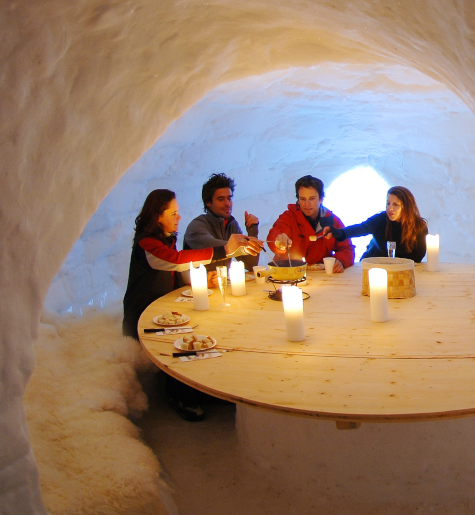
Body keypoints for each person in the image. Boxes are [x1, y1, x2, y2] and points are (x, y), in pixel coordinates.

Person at [121, 189, 258, 421]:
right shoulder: (147, 244)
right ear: (157, 217)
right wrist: (224, 250)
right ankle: (180, 393)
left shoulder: (165, 238)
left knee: (208, 324)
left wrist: (203, 280)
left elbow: (174, 271)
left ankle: (204, 385)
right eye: (173, 213)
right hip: (144, 316)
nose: (179, 217)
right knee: (185, 335)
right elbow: (173, 261)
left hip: (163, 307)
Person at [267, 175, 354, 272]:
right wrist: (278, 241)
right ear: (298, 200)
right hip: (288, 274)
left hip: (321, 276)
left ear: (321, 199)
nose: (307, 204)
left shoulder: (332, 221)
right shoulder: (289, 217)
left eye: (312, 198)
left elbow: (347, 248)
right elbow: (276, 232)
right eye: (303, 199)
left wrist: (340, 261)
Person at [182, 173, 264, 272]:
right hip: (194, 286)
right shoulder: (197, 226)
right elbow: (218, 247)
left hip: (220, 284)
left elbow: (250, 265)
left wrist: (252, 231)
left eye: (229, 198)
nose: (227, 203)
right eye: (221, 199)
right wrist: (244, 244)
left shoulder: (231, 224)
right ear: (208, 202)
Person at [332, 186, 429, 263]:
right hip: (373, 265)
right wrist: (340, 233)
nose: (390, 208)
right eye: (388, 203)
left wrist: (397, 265)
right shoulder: (381, 219)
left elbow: (418, 256)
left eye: (395, 204)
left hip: (402, 270)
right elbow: (362, 228)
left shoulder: (419, 227)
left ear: (406, 207)